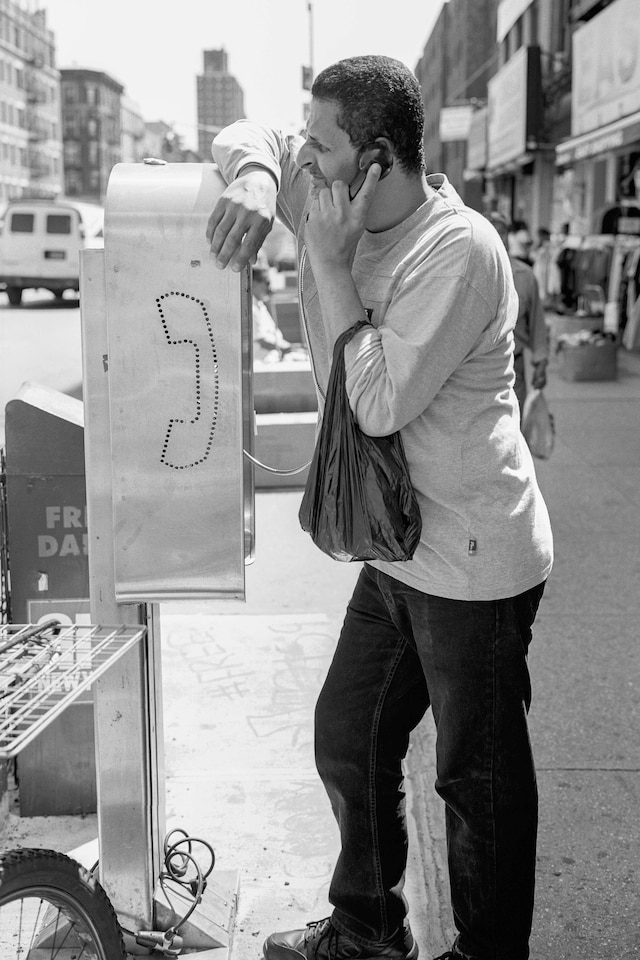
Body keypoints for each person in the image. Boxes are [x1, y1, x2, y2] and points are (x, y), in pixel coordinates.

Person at [207, 55, 553, 960]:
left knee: (474, 782)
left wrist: (325, 262)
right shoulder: (332, 192)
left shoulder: (459, 251)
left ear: (378, 160)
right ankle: (366, 928)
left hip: (474, 560)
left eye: (321, 150)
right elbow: (245, 140)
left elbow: (379, 403)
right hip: (399, 551)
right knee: (347, 736)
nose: (304, 166)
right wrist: (251, 172)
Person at [487, 213, 549, 412]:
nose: (498, 235)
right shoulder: (469, 274)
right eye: (492, 229)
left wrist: (541, 361)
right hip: (478, 370)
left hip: (514, 367)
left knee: (515, 427)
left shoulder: (525, 276)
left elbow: (537, 322)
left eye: (502, 231)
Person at [251, 265, 293, 362]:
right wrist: (285, 347)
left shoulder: (260, 306)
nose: (269, 287)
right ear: (254, 283)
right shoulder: (250, 309)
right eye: (267, 282)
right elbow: (260, 339)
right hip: (262, 362)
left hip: (274, 358)